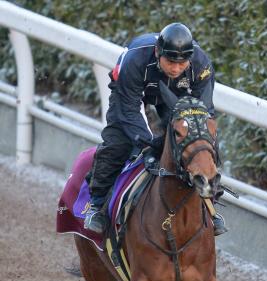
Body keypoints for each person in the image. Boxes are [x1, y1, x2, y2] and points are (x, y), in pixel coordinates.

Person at [84, 22, 227, 235]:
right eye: (171, 61)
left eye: (182, 63)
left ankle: (209, 201)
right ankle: (96, 205)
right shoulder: (135, 59)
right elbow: (129, 109)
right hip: (129, 95)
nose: (176, 68)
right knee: (119, 143)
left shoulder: (201, 64)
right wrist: (150, 143)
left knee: (199, 143)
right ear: (158, 52)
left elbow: (204, 113)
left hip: (175, 98)